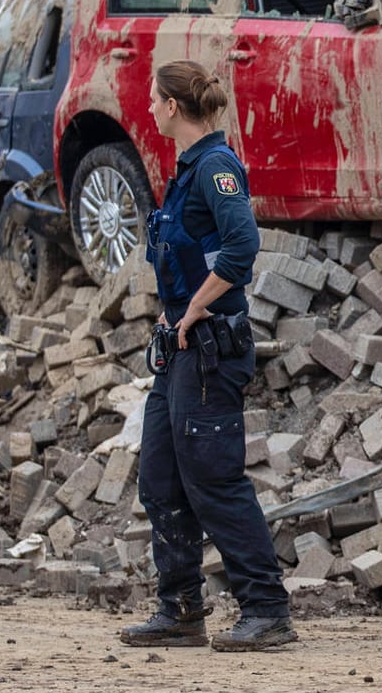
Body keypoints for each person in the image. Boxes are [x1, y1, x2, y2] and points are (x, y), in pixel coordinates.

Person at [121, 61, 296, 651]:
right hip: (179, 353)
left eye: (152, 99)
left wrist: (195, 308)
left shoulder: (216, 167)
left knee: (214, 481)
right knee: (161, 480)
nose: (147, 107)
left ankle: (267, 609)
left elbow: (244, 244)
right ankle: (180, 610)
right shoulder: (188, 170)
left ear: (173, 107)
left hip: (208, 349)